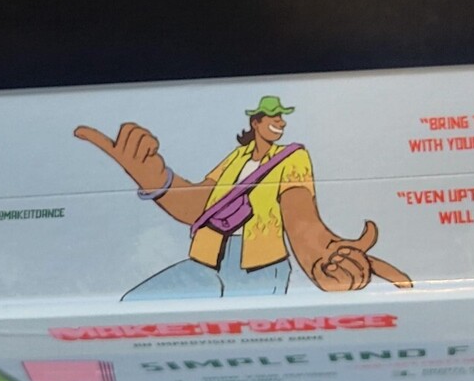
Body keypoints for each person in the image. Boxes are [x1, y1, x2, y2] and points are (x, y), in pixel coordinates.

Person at [74, 96, 411, 300]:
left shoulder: (292, 157)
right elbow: (200, 205)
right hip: (204, 260)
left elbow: (300, 215)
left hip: (257, 268)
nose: (279, 121)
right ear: (256, 122)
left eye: (282, 116)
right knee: (135, 307)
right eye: (272, 115)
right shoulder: (237, 158)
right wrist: (158, 181)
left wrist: (320, 256)